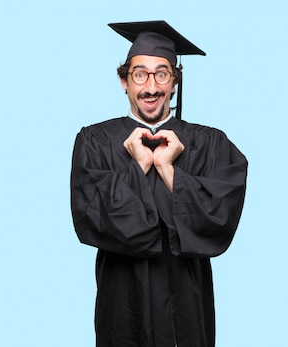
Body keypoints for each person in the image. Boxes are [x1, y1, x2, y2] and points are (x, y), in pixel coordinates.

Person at [70, 20, 248, 347]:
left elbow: (220, 219)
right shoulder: (94, 141)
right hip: (123, 304)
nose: (151, 87)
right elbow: (92, 220)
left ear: (174, 81)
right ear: (124, 80)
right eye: (140, 74)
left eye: (161, 74)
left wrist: (169, 171)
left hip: (187, 305)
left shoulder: (209, 143)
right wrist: (138, 164)